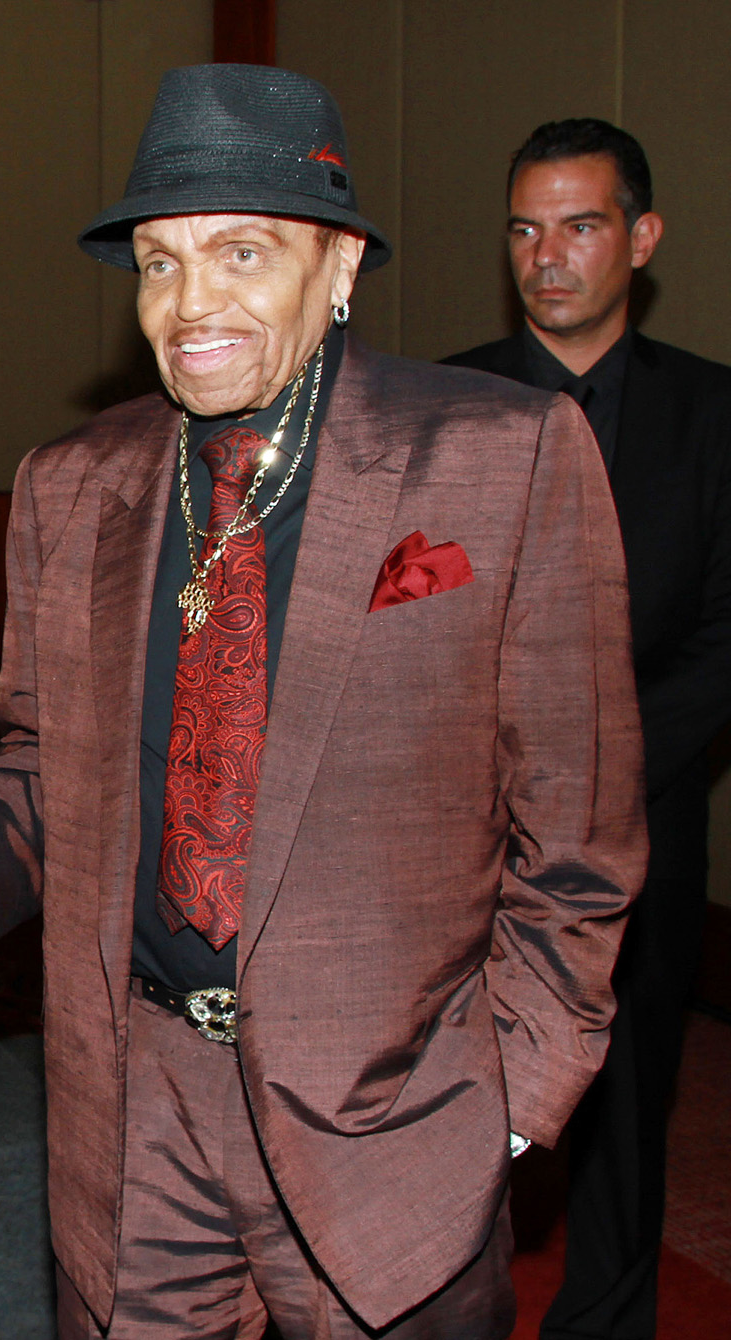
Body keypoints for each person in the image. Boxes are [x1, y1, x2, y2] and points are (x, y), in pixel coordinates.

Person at [0, 71, 647, 1340]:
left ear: (338, 266)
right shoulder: (72, 484)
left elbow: (582, 825)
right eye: (159, 263)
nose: (192, 305)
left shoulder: (503, 454)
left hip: (393, 1104)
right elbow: (47, 762)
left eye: (242, 252)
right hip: (136, 1103)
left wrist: (508, 1098)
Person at [445, 117, 731, 1340]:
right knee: (445, 1101)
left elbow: (722, 646)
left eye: (579, 224)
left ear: (642, 237)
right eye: (523, 227)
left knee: (623, 1102)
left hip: (643, 834)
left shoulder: (714, 417)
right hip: (460, 832)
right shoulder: (440, 407)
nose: (545, 255)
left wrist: (588, 791)